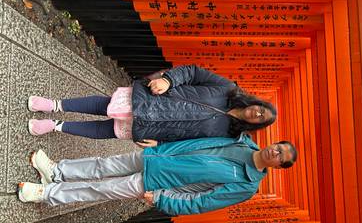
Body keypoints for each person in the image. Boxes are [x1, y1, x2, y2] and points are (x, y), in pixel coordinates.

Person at [18, 134, 297, 215]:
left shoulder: (246, 185)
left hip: (158, 182)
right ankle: (57, 171)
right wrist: (161, 146)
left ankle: (46, 194)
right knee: (103, 165)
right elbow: (194, 143)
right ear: (274, 142)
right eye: (279, 147)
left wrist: (163, 200)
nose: (276, 152)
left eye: (281, 157)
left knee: (102, 189)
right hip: (156, 157)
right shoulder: (240, 141)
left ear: (278, 167)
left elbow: (203, 201)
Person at [27, 65, 277, 147]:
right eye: (261, 109)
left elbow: (191, 144)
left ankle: (55, 126)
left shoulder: (229, 134)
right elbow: (193, 72)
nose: (257, 114)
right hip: (155, 99)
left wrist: (161, 145)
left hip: (158, 130)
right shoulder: (227, 89)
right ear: (258, 102)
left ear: (257, 124)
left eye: (261, 118)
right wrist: (168, 81)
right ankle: (54, 105)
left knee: (106, 131)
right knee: (105, 106)